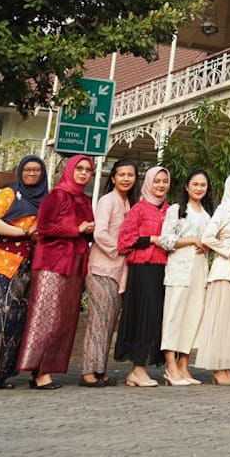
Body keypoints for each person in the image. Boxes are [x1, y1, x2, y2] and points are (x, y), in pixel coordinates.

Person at [18, 154, 97, 389]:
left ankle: (47, 369)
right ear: (69, 170)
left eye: (88, 170)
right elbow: (44, 227)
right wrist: (77, 228)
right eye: (79, 168)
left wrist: (88, 230)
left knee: (64, 319)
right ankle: (37, 370)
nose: (83, 173)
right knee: (46, 317)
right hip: (52, 263)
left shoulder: (84, 199)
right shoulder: (57, 195)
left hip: (74, 263)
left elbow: (86, 229)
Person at [0, 155, 45, 391]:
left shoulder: (46, 199)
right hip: (4, 261)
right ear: (20, 172)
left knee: (17, 319)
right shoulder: (9, 194)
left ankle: (4, 373)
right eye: (28, 170)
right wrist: (23, 232)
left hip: (30, 264)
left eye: (37, 170)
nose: (32, 174)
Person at [193, 171, 230, 385]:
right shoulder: (223, 209)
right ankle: (218, 368)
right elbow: (207, 237)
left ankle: (227, 367)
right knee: (222, 319)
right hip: (225, 269)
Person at [81, 159, 136, 386]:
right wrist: (121, 248)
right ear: (112, 178)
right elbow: (100, 233)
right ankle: (88, 372)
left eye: (130, 175)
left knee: (109, 321)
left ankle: (100, 368)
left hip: (118, 269)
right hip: (102, 267)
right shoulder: (107, 200)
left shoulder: (128, 203)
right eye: (121, 174)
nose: (125, 178)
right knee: (98, 320)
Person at [115, 166, 170, 387]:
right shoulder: (139, 209)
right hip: (142, 268)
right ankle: (137, 368)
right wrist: (151, 239)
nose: (160, 185)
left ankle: (142, 368)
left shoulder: (170, 210)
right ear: (148, 182)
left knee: (156, 317)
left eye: (164, 181)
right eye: (156, 181)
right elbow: (124, 241)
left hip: (163, 269)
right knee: (143, 316)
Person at [158, 169, 212, 386]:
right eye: (195, 184)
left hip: (199, 269)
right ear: (187, 187)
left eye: (203, 185)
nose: (199, 188)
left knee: (193, 317)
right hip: (179, 268)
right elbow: (165, 240)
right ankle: (170, 366)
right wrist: (190, 240)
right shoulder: (177, 210)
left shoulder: (208, 214)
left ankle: (184, 365)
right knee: (174, 316)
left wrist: (206, 245)